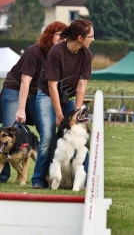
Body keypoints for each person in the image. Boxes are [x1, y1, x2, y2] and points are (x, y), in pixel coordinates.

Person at [0, 21, 67, 183]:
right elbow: (25, 81)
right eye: (60, 35)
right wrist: (21, 109)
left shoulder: (58, 55)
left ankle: (46, 174)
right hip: (15, 89)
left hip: (37, 93)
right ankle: (3, 175)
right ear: (50, 35)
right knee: (9, 130)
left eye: (65, 36)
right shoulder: (34, 52)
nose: (63, 39)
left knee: (47, 129)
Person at [31, 18, 94, 189]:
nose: (93, 39)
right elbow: (52, 86)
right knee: (49, 135)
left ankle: (84, 180)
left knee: (81, 136)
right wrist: (59, 115)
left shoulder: (86, 55)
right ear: (80, 38)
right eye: (91, 36)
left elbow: (81, 86)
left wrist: (77, 114)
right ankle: (38, 179)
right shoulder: (56, 52)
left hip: (68, 97)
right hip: (46, 95)